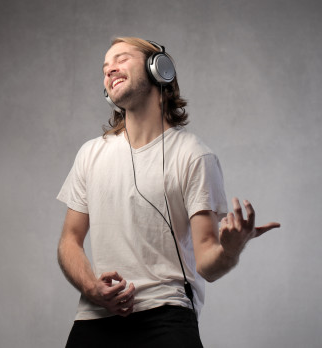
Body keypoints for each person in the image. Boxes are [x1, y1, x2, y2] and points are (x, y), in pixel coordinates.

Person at [57, 37, 280, 347]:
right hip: (96, 315)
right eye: (105, 68)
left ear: (158, 70)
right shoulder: (90, 154)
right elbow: (69, 240)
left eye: (121, 59)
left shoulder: (194, 156)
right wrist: (92, 288)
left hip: (166, 316)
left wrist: (230, 250)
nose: (110, 70)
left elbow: (207, 263)